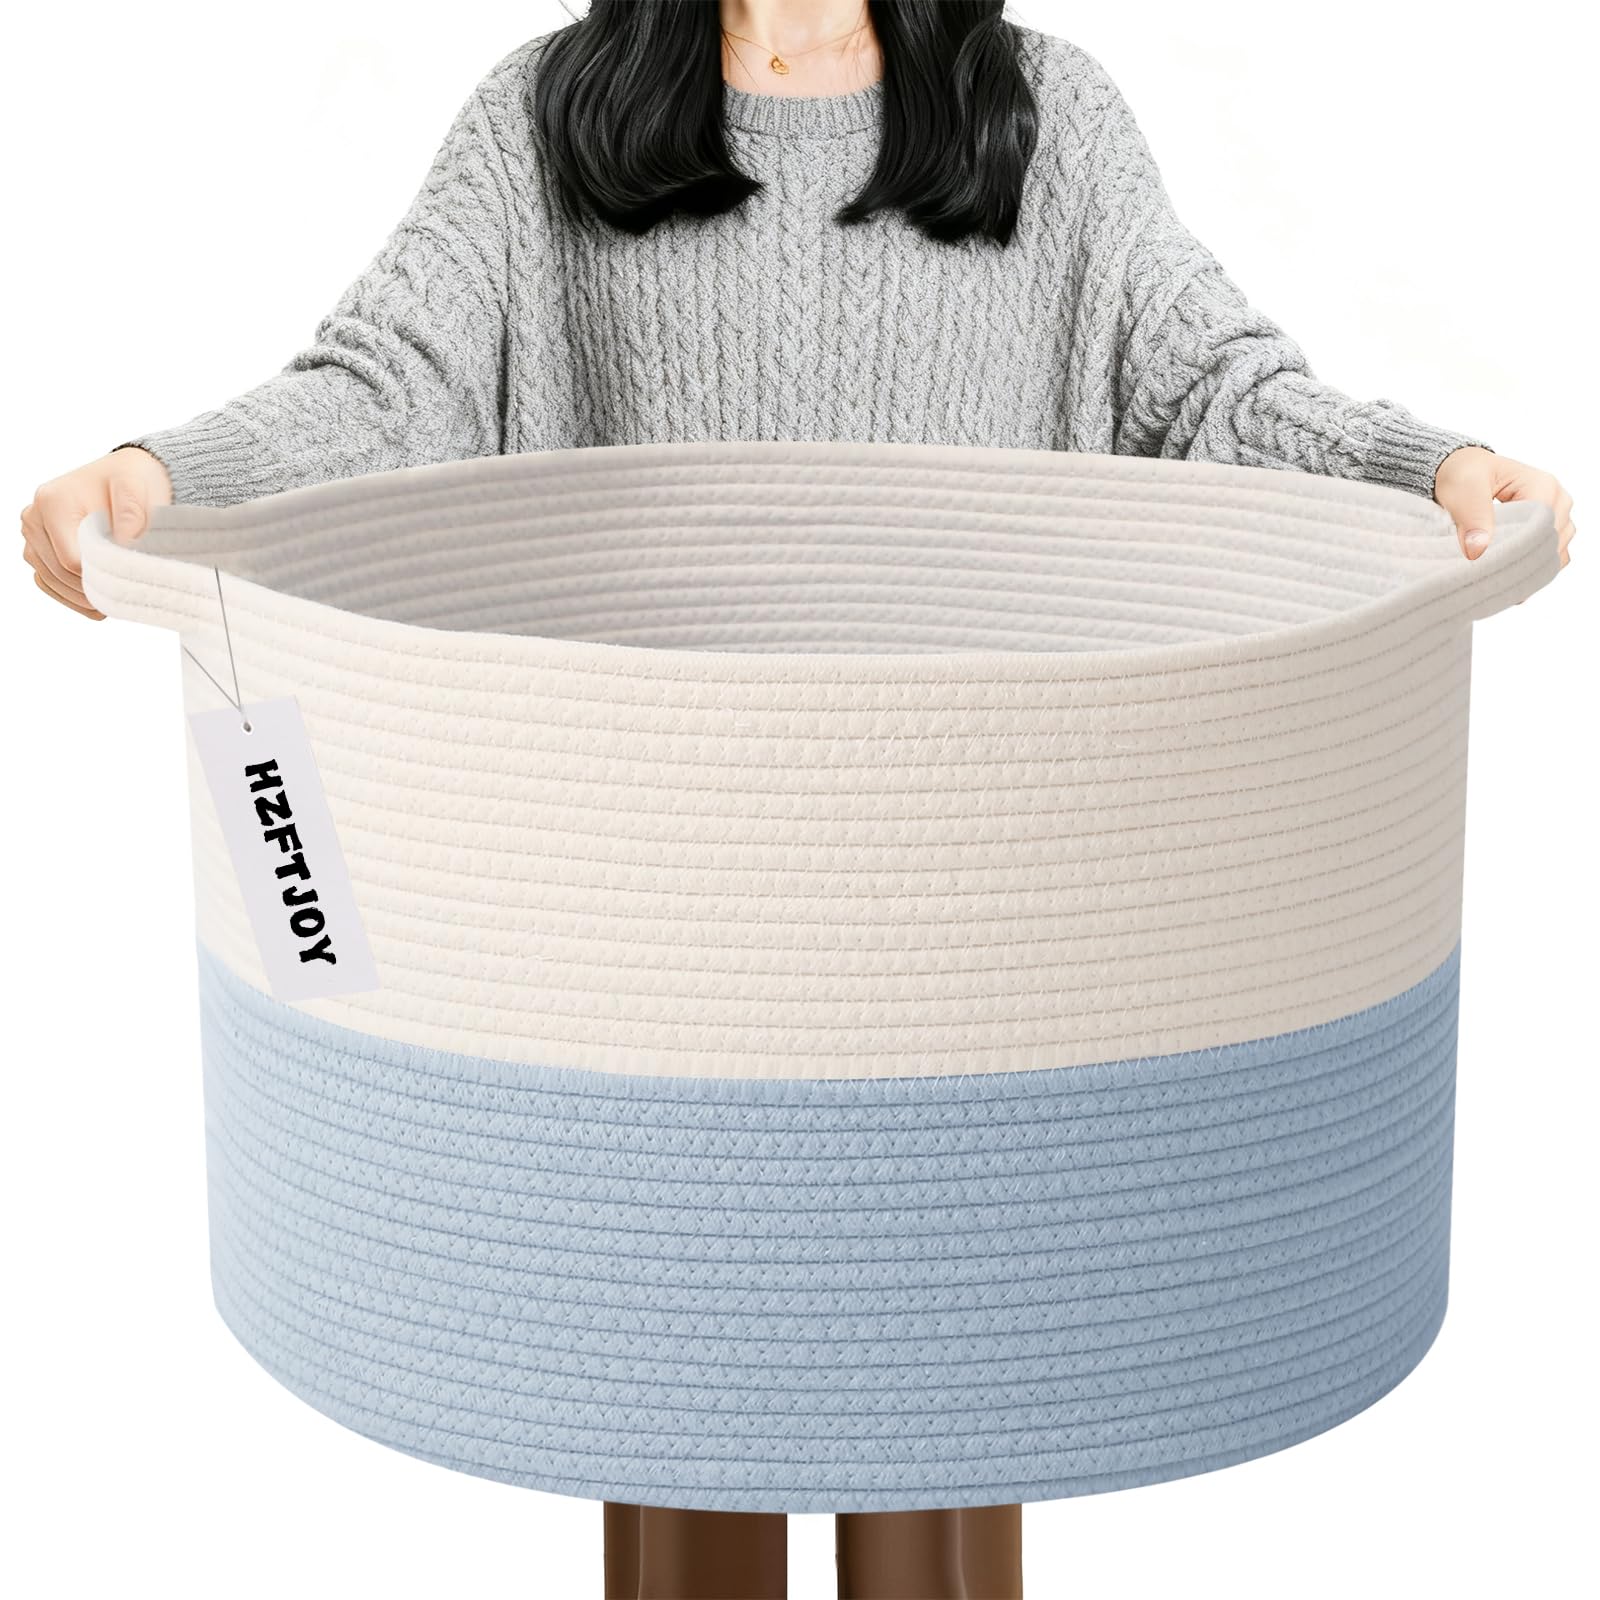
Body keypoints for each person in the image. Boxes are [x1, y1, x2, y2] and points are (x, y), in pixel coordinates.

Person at [16, 4, 1577, 1596]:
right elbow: (383, 386)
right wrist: (163, 475)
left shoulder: (1041, 112)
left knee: (949, 1455)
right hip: (652, 951)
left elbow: (1209, 392)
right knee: (676, 1448)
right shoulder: (547, 113)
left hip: (967, 954)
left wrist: (1426, 470)